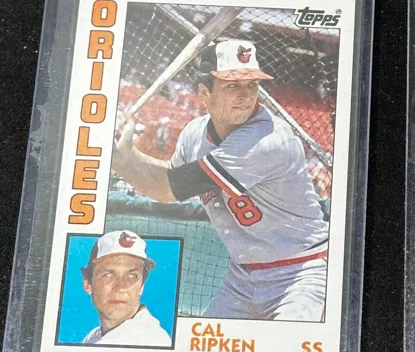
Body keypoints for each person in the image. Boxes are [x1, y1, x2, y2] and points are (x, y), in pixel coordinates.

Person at [111, 39, 329, 321]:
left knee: (286, 346)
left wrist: (116, 159)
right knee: (205, 347)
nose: (245, 95)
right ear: (204, 92)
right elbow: (169, 173)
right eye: (232, 85)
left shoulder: (267, 139)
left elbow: (166, 189)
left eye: (252, 84)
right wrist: (127, 152)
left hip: (299, 272)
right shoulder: (194, 132)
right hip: (241, 278)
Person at [81, 230, 171, 347]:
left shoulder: (150, 339)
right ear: (88, 284)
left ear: (141, 286)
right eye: (108, 275)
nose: (121, 287)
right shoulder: (94, 336)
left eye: (132, 276)